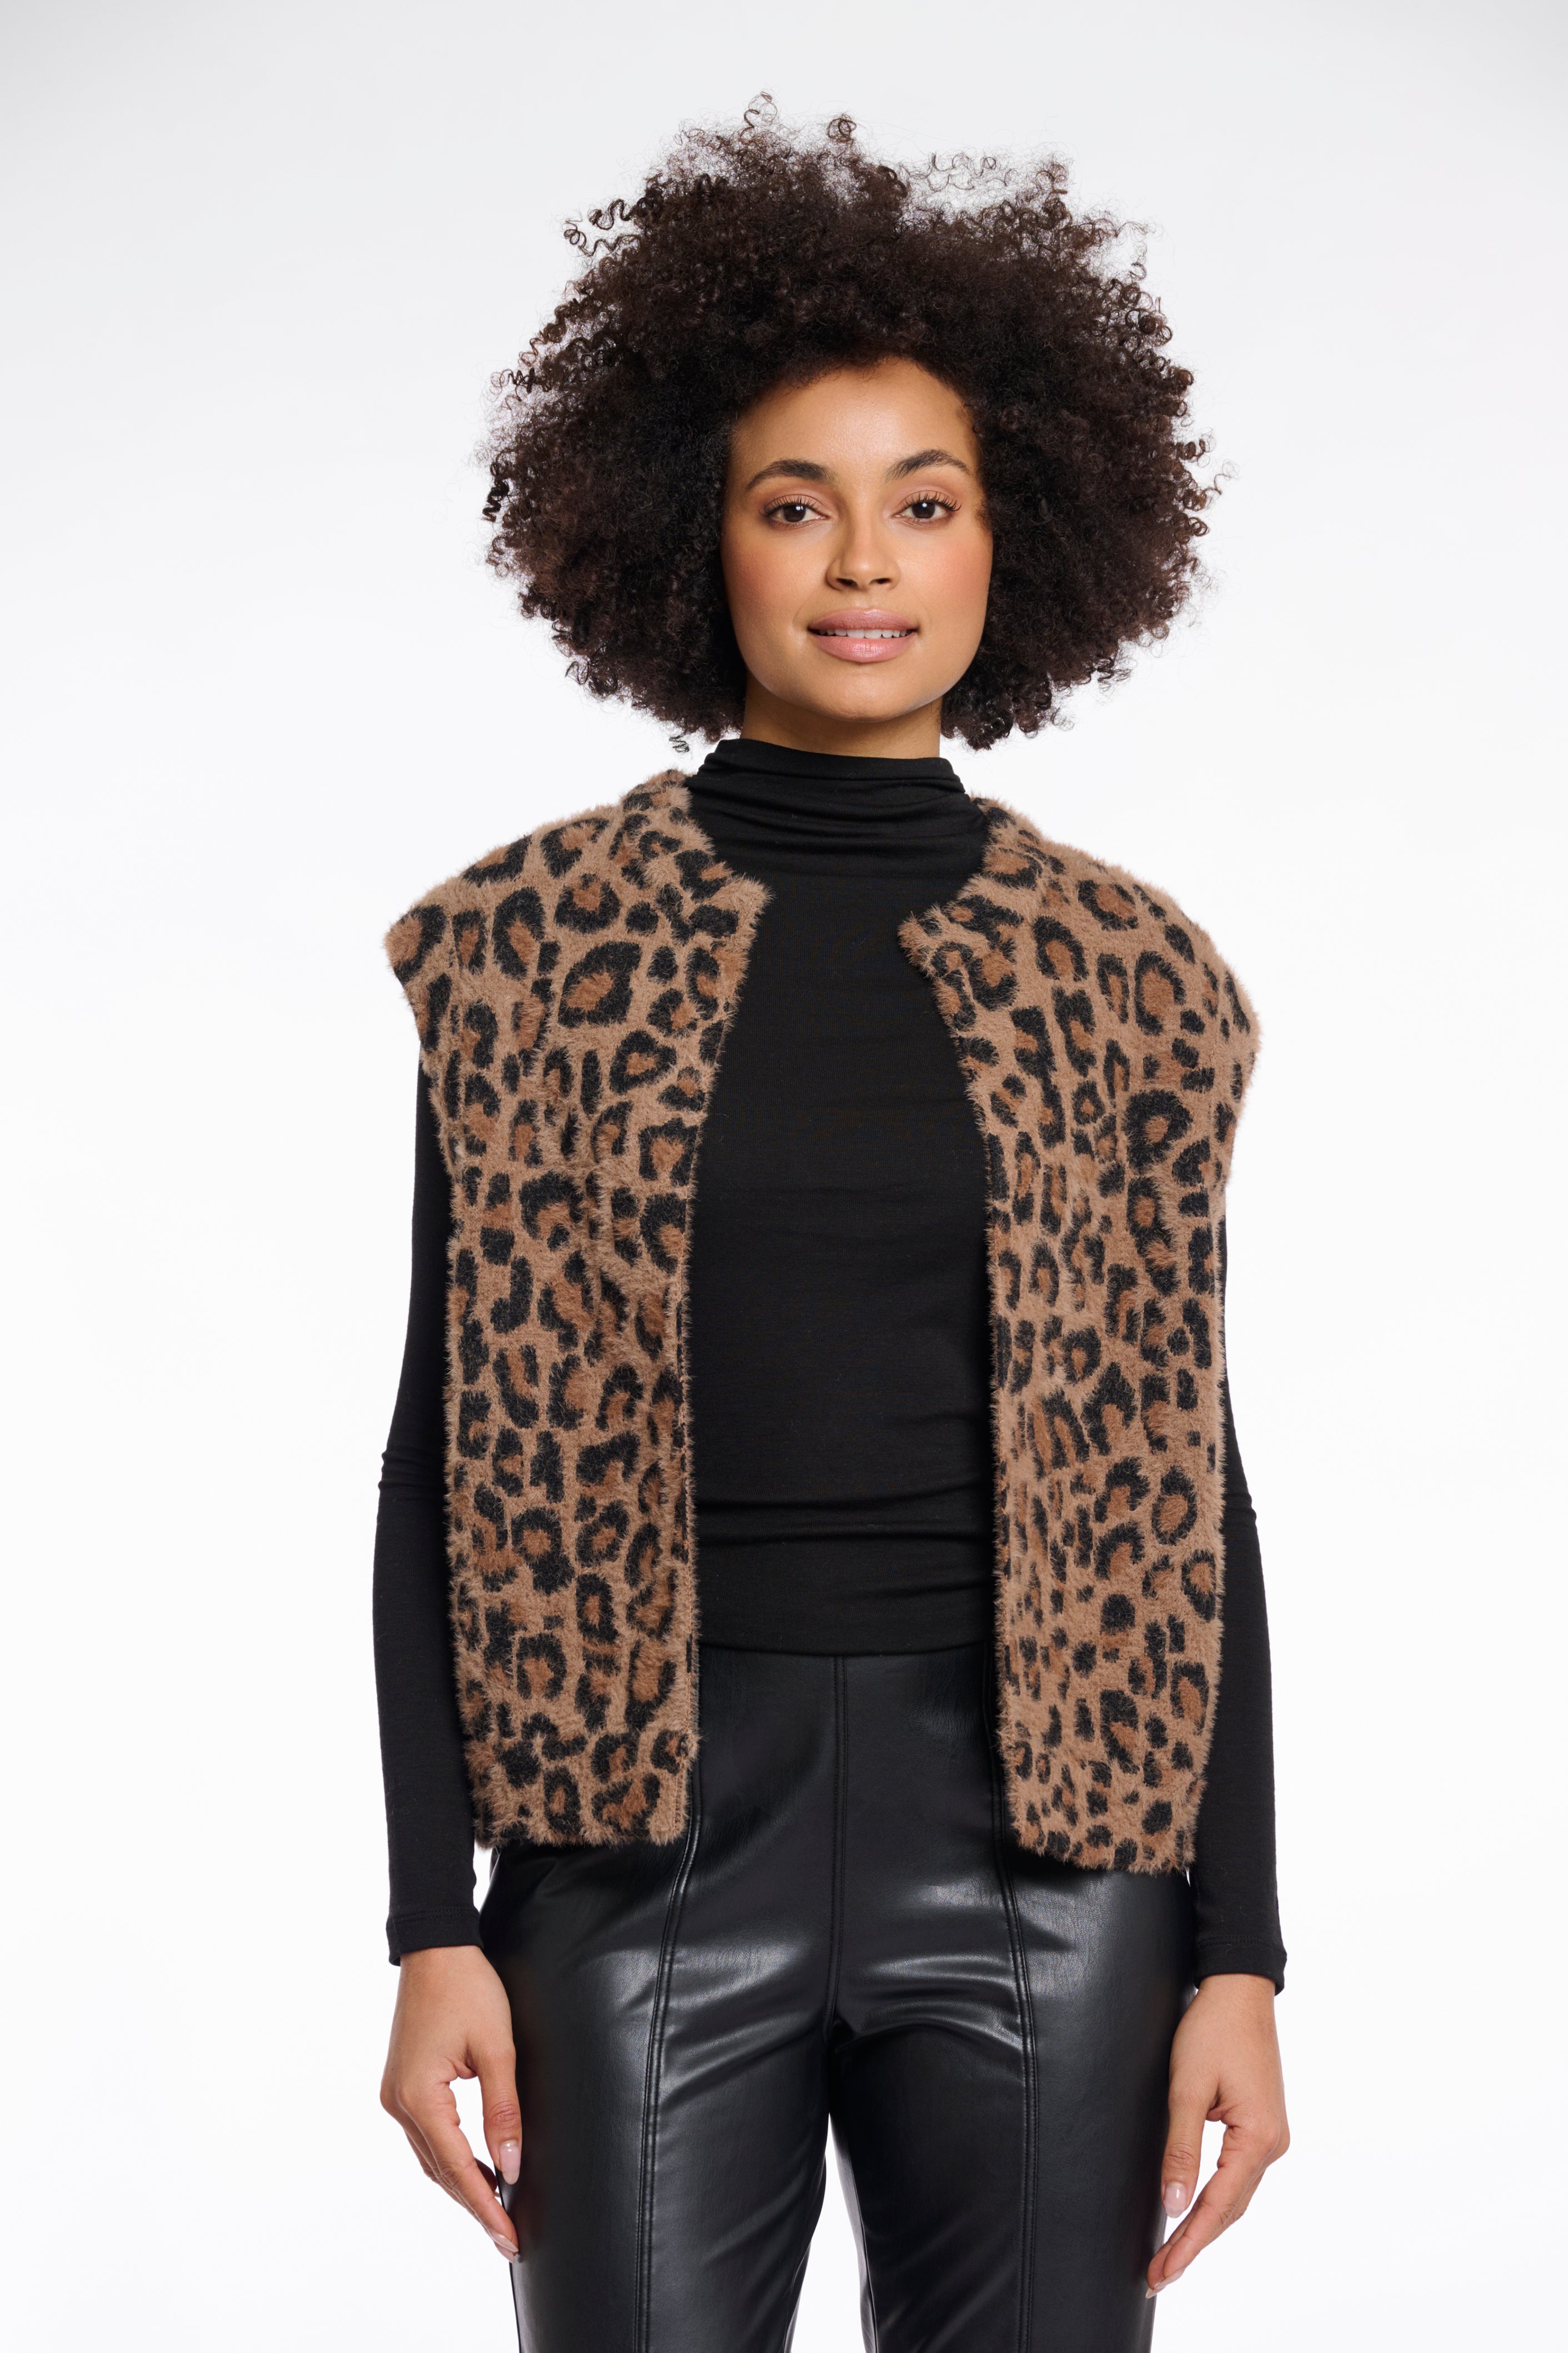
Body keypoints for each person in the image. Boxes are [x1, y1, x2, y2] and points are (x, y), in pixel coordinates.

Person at [373, 99, 1289, 2353]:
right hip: (631, 1853)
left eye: (925, 501)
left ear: (1013, 540)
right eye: (795, 502)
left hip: (1057, 1864)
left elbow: (1191, 1474)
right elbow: (434, 1446)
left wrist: (1241, 1954)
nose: (861, 561)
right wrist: (429, 1921)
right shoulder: (522, 950)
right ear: (694, 537)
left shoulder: (1134, 979)